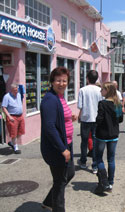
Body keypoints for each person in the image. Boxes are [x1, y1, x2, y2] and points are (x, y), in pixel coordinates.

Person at [40, 67, 77, 212]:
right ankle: (57, 208)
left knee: (70, 173)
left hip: (67, 143)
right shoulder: (50, 99)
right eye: (58, 80)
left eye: (64, 80)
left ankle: (49, 201)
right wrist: (62, 149)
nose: (61, 83)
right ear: (52, 82)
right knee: (60, 182)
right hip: (58, 148)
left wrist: (69, 118)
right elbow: (49, 127)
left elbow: (58, 118)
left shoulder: (60, 96)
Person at [94, 82, 123, 194]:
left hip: (102, 134)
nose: (101, 91)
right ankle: (110, 183)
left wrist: (97, 122)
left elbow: (99, 119)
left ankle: (104, 181)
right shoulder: (117, 104)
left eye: (102, 89)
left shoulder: (102, 104)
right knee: (111, 159)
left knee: (99, 158)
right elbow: (120, 119)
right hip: (114, 134)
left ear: (107, 91)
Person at [77, 70, 103, 173]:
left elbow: (80, 106)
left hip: (86, 119)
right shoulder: (100, 90)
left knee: (84, 141)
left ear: (87, 78)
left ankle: (83, 161)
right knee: (96, 142)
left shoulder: (82, 90)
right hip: (97, 119)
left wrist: (79, 116)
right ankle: (95, 165)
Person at [2, 83, 25, 154]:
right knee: (13, 133)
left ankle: (12, 142)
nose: (16, 91)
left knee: (20, 132)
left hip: (20, 116)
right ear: (11, 90)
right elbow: (3, 107)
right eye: (15, 90)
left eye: (17, 90)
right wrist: (9, 116)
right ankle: (16, 147)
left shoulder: (18, 94)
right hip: (12, 117)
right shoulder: (7, 96)